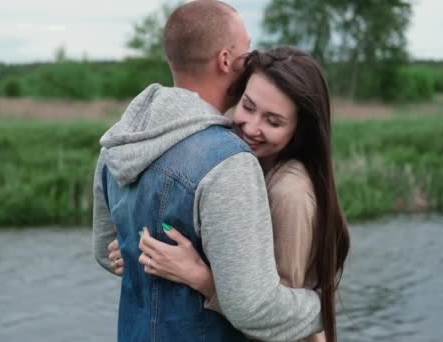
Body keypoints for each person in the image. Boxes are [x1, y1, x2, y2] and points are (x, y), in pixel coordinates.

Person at [93, 1, 322, 341]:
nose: (251, 60)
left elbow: (105, 252)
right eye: (246, 49)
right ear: (226, 60)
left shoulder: (118, 143)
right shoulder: (227, 161)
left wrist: (131, 248)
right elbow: (253, 309)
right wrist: (321, 306)